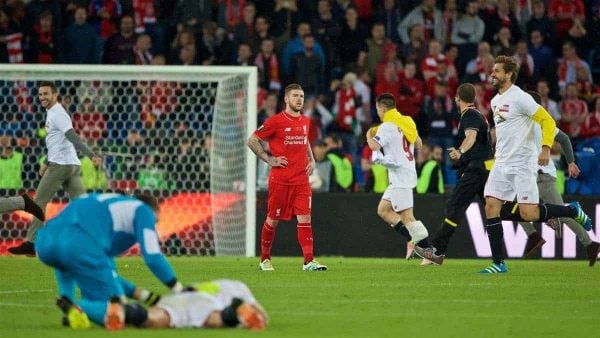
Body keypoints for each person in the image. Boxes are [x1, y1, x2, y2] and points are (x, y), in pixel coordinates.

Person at [480, 56, 592, 274]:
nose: (492, 74)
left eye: (496, 71)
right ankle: (499, 263)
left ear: (509, 75)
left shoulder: (521, 98)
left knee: (529, 214)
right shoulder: (495, 101)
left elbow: (548, 121)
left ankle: (571, 210)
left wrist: (545, 148)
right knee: (491, 207)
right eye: (492, 70)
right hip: (502, 163)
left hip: (522, 164)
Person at [35, 193, 186, 328]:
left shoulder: (111, 206)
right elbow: (153, 257)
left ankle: (69, 307)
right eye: (155, 221)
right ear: (153, 212)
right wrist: (179, 289)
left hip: (44, 242)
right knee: (121, 310)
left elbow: (107, 272)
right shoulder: (143, 210)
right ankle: (76, 307)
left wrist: (149, 297)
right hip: (78, 245)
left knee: (70, 265)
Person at [5, 81, 102, 255]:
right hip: (71, 165)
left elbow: (72, 136)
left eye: (46, 94)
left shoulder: (57, 114)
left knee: (38, 203)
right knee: (80, 205)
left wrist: (91, 154)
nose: (42, 97)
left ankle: (32, 242)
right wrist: (47, 162)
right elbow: (60, 144)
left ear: (55, 95)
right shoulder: (54, 113)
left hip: (61, 166)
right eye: (40, 94)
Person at [246, 83, 327, 271]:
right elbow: (252, 140)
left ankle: (309, 261)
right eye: (296, 96)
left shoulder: (305, 121)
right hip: (280, 180)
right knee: (272, 219)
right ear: (286, 99)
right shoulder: (275, 121)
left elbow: (305, 140)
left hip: (301, 180)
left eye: (302, 96)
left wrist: (312, 159)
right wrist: (269, 159)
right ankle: (264, 260)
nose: (299, 99)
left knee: (305, 218)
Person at [518, 91, 600, 266]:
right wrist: (570, 162)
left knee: (560, 214)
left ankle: (588, 243)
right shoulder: (538, 122)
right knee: (519, 207)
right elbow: (564, 139)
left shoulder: (534, 122)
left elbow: (564, 139)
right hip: (533, 176)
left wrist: (571, 162)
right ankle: (545, 227)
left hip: (541, 177)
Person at [366, 93, 443, 265]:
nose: (377, 112)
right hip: (404, 173)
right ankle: (412, 240)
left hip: (400, 176)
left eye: (378, 108)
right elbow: (419, 144)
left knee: (407, 217)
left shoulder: (387, 126)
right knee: (384, 210)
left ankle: (430, 253)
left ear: (383, 108)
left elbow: (374, 146)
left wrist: (368, 135)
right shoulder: (406, 121)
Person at [428, 83, 493, 264]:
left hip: (476, 170)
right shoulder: (478, 115)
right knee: (497, 208)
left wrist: (460, 152)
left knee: (455, 206)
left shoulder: (469, 115)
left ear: (457, 98)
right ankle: (545, 213)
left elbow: (470, 137)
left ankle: (437, 251)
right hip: (482, 168)